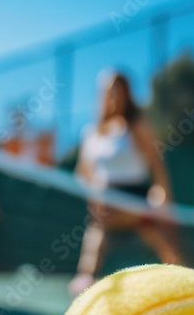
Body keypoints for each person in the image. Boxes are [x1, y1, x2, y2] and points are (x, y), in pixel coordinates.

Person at [69, 71, 182, 297]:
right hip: (103, 200)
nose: (115, 96)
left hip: (136, 197)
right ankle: (87, 275)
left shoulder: (136, 126)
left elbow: (156, 163)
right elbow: (82, 173)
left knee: (149, 229)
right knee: (100, 221)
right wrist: (94, 194)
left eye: (120, 91)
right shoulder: (91, 134)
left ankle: (180, 273)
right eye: (110, 91)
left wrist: (164, 194)